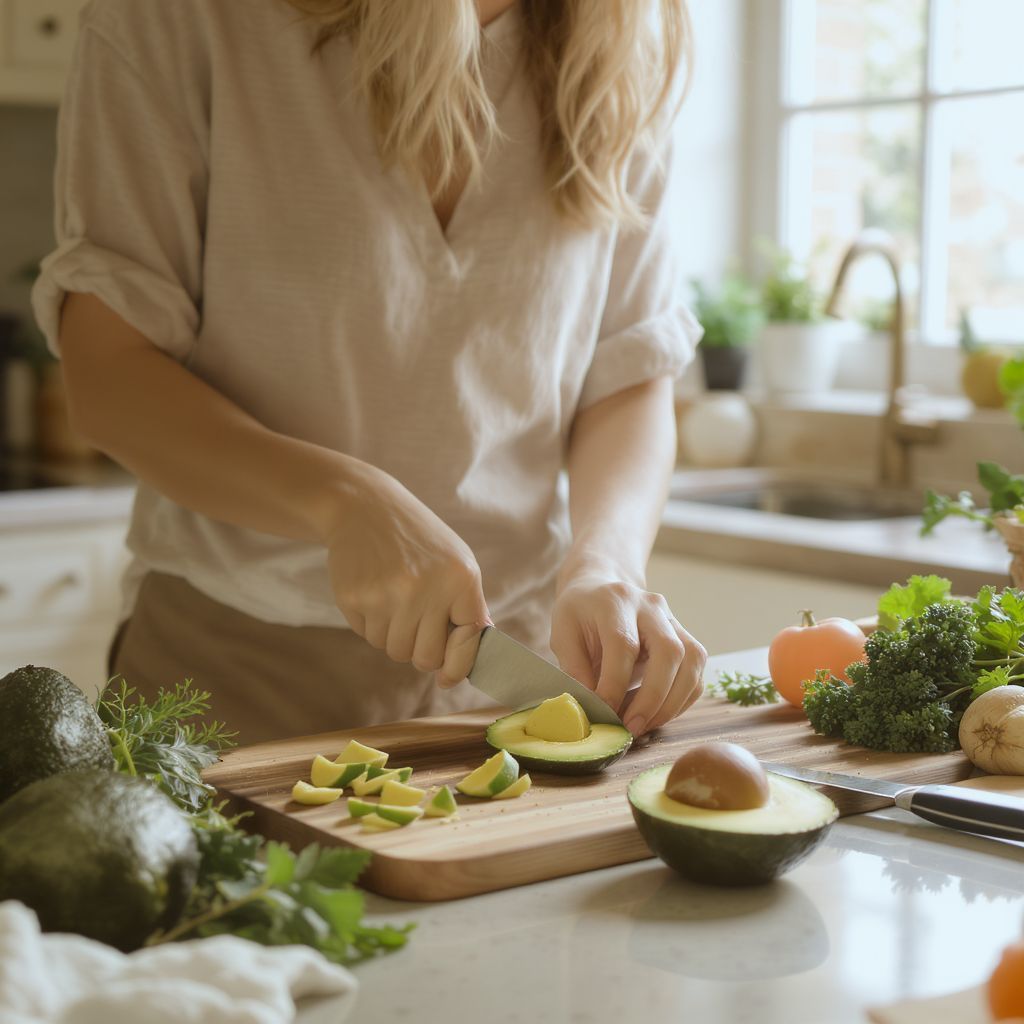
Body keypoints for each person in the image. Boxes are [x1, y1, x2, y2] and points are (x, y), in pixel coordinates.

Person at [32, 0, 707, 744]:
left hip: (506, 679)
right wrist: (343, 502)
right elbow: (106, 375)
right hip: (230, 674)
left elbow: (630, 374)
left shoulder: (618, 40)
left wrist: (604, 561)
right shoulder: (179, 19)